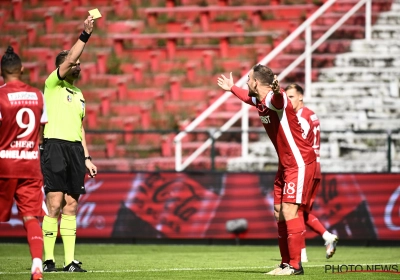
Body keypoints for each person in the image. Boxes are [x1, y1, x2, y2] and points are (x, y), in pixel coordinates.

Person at [217, 66, 317, 276]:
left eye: (249, 79)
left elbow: (279, 101)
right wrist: (232, 88)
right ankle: (284, 264)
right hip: (285, 164)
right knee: (279, 213)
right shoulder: (260, 101)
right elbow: (246, 97)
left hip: (299, 162)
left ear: (256, 83)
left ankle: (296, 266)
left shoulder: (273, 99)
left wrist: (279, 90)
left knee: (290, 211)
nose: (246, 82)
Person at [41, 15, 97, 273]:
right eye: (73, 63)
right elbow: (71, 58)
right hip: (54, 145)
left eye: (79, 64)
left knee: (72, 204)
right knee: (54, 204)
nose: (78, 66)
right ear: (62, 66)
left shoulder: (79, 94)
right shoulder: (53, 83)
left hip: (75, 149)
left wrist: (87, 157)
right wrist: (84, 35)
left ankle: (70, 262)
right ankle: (48, 260)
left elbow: (81, 128)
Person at [0, 46, 47, 280]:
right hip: (30, 164)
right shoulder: (38, 95)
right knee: (31, 217)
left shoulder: (0, 96)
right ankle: (37, 265)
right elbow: (40, 129)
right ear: (22, 69)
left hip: (5, 164)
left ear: (2, 73)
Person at [285, 83, 338, 262]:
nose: (288, 100)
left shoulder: (300, 118)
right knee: (303, 210)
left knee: (295, 208)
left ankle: (300, 253)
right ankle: (327, 236)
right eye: (286, 97)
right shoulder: (311, 114)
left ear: (300, 96)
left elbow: (297, 143)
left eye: (291, 96)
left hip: (306, 165)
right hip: (315, 165)